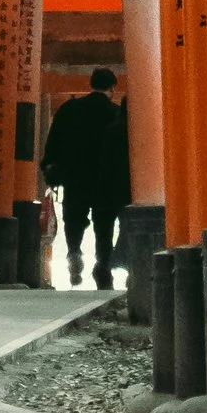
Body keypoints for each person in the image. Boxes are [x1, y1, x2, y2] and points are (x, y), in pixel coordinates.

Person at [39, 67, 129, 290]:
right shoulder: (115, 113)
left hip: (75, 177)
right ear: (113, 88)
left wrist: (50, 166)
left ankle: (74, 252)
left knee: (74, 219)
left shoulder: (70, 109)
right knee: (104, 224)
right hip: (105, 180)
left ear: (91, 84)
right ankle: (102, 267)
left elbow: (54, 141)